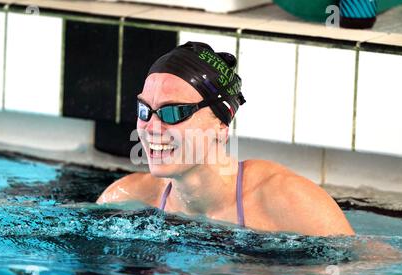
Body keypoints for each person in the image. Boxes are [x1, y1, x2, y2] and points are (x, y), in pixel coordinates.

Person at [97, 41, 355, 237]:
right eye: (145, 110)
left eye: (173, 112)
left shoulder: (289, 201)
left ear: (221, 124)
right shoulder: (125, 199)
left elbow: (361, 274)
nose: (152, 127)